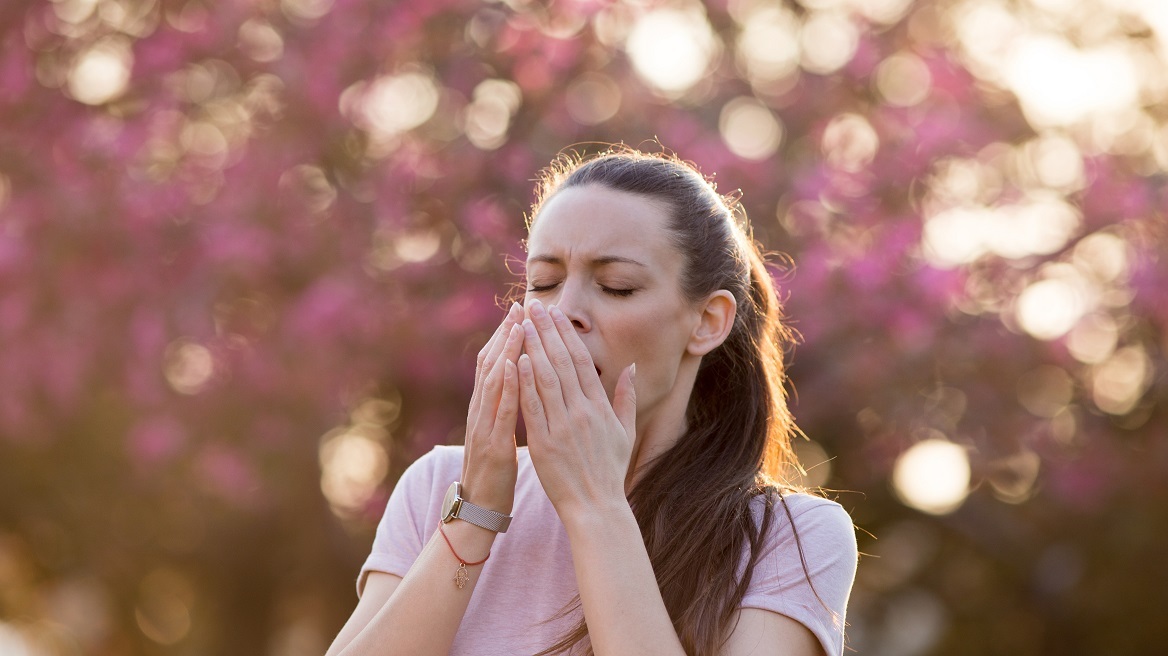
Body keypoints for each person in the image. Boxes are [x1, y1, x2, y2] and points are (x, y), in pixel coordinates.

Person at [326, 146, 858, 656]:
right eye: (544, 282)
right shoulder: (438, 487)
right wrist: (475, 515)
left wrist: (596, 507)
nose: (566, 310)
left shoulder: (788, 535)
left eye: (617, 286)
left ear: (707, 321)